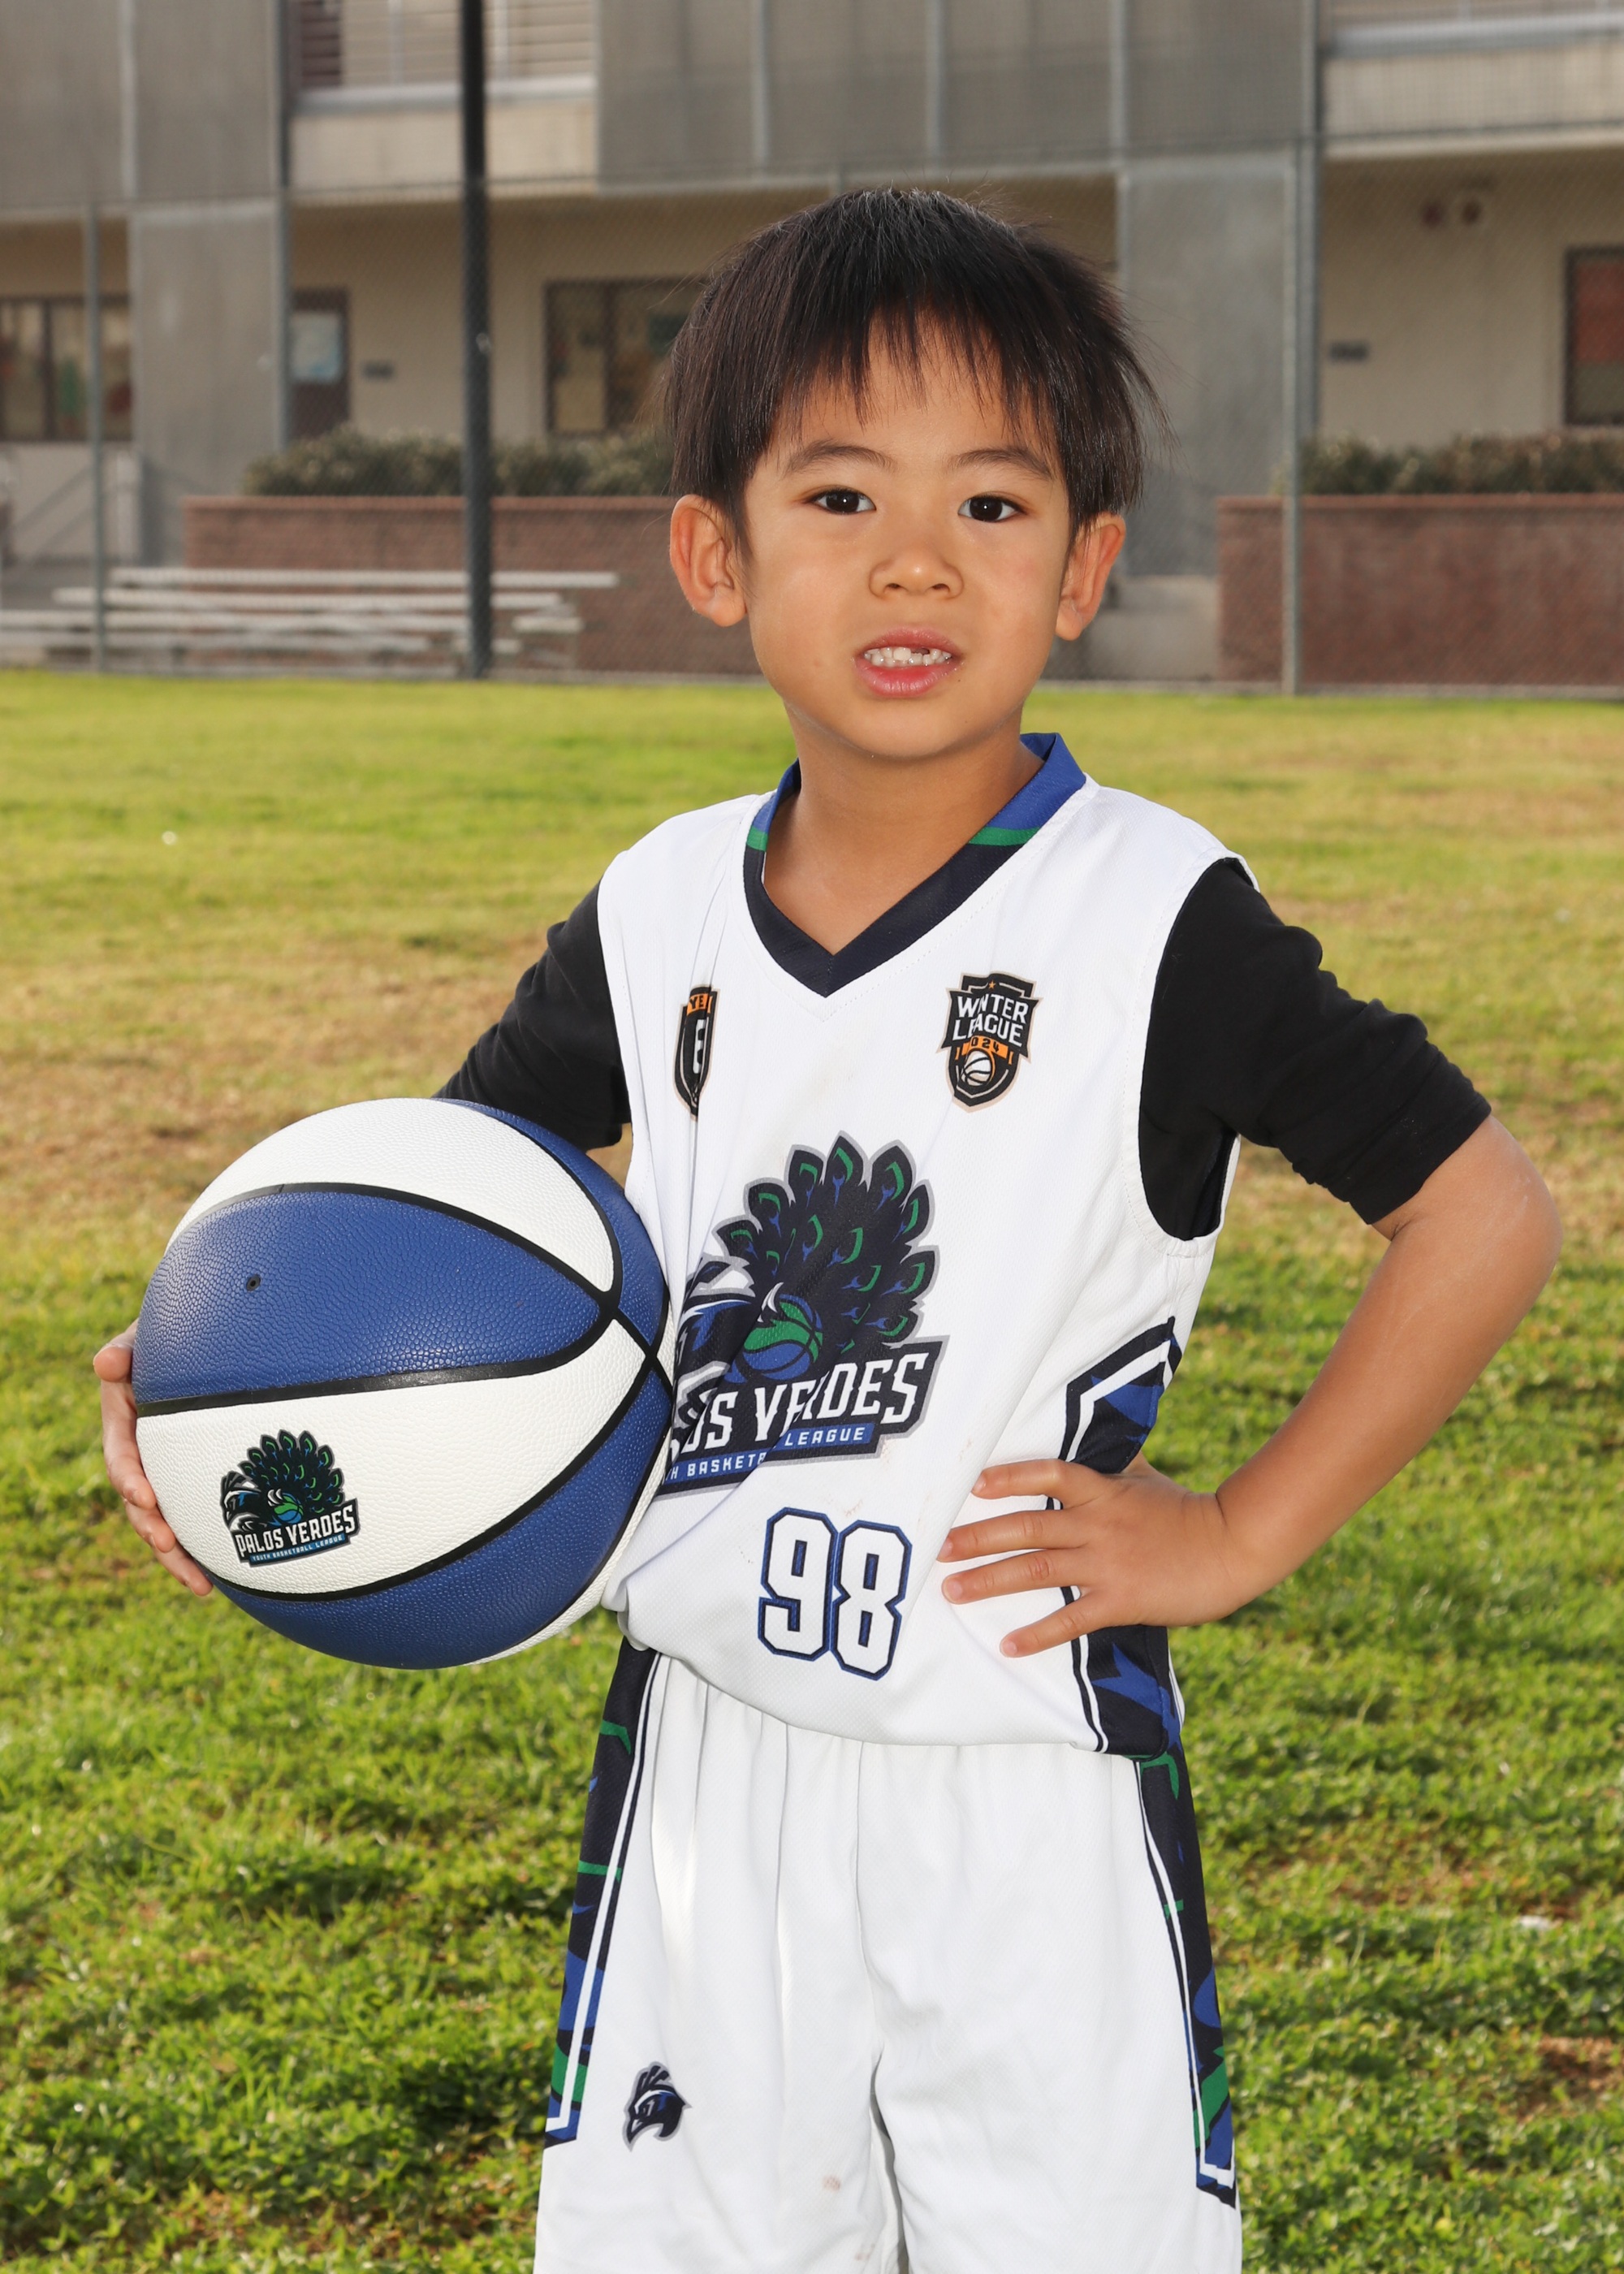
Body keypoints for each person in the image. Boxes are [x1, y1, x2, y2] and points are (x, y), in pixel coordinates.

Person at [97, 191, 1561, 2273]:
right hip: (704, 1773)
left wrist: (1239, 1530)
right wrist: (219, 1382)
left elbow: (1482, 1212)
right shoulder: (655, 912)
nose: (915, 560)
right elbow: (426, 1218)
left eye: (992, 502)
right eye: (843, 492)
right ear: (718, 554)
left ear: (1082, 568)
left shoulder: (1156, 919)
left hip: (1018, 1773)